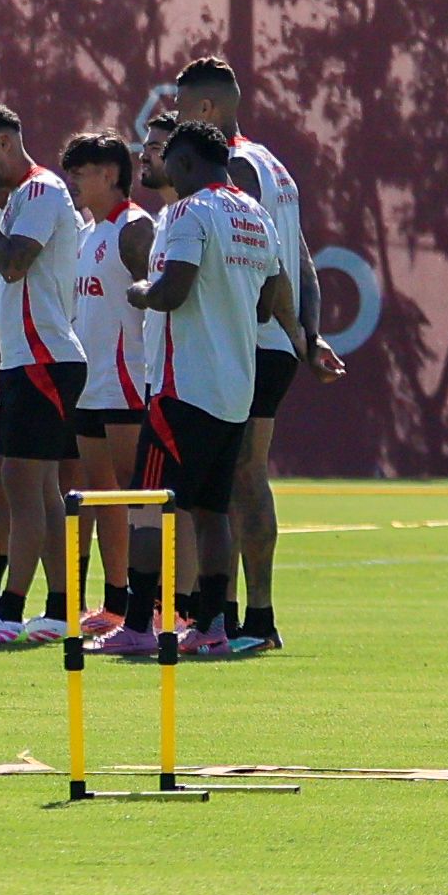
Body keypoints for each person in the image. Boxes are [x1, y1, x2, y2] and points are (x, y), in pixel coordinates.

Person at [171, 56, 342, 651]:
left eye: (183, 106)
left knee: (236, 477)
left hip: (249, 341)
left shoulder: (236, 166)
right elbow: (301, 257)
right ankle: (242, 617)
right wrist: (310, 335)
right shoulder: (274, 162)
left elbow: (268, 267)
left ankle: (249, 620)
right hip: (275, 342)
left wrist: (291, 330)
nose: (175, 121)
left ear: (208, 110)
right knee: (244, 475)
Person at [127, 121, 294, 658]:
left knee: (148, 505)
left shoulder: (188, 212)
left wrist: (141, 291)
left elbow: (173, 291)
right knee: (212, 512)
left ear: (187, 163)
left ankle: (136, 623)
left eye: (170, 161)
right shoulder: (255, 214)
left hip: (181, 386)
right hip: (233, 390)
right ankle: (214, 625)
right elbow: (270, 299)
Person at [0, 101, 84, 649]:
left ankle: (10, 610)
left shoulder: (41, 192)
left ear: (6, 142)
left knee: (23, 485)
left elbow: (12, 263)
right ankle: (58, 609)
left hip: (46, 359)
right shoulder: (18, 199)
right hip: (28, 360)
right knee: (38, 488)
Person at [62, 127, 164, 650]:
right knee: (103, 498)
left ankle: (154, 610)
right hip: (91, 383)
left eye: (81, 173)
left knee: (136, 496)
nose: (73, 182)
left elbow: (164, 299)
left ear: (110, 174)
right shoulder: (87, 233)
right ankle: (115, 603)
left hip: (127, 382)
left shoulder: (134, 227)